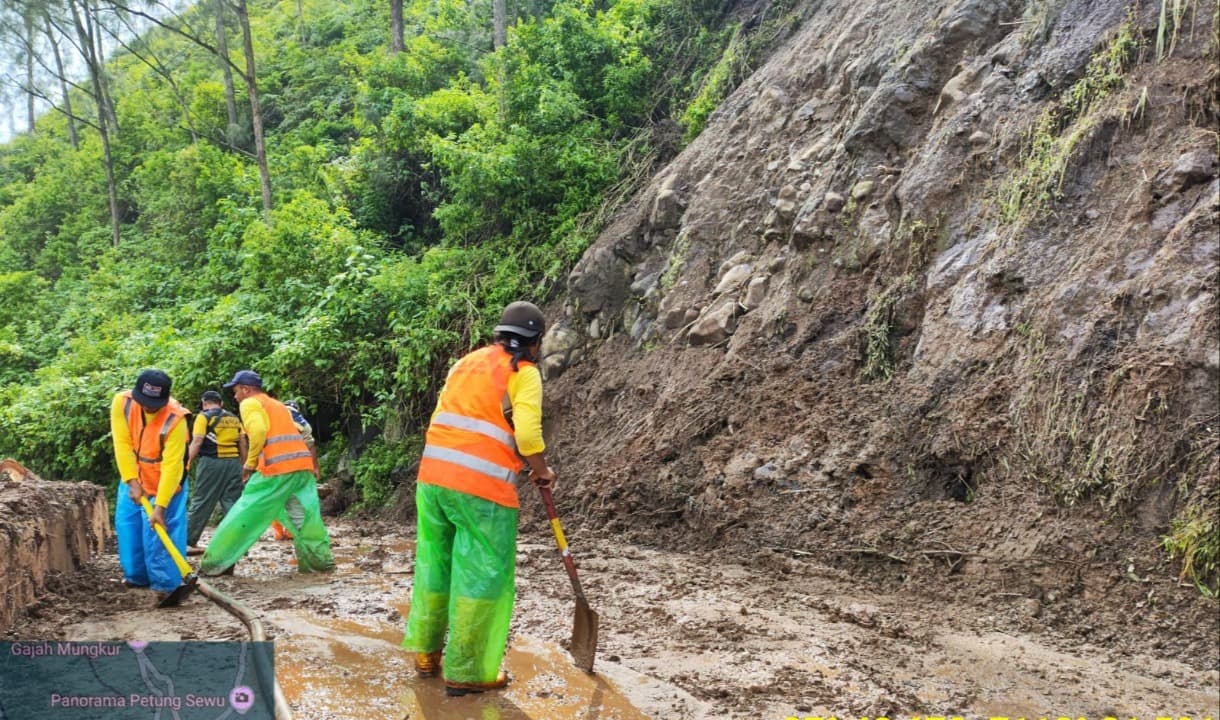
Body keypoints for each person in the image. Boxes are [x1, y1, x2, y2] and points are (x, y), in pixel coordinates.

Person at [401, 301, 556, 697]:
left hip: (432, 479)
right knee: (483, 575)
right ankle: (469, 672)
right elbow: (527, 436)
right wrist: (541, 471)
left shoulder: (466, 363)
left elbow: (440, 415)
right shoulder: (523, 372)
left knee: (434, 564)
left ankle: (426, 654)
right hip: (481, 489)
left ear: (499, 334)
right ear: (535, 342)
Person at [199, 370, 335, 576]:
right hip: (300, 468)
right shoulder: (277, 405)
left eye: (236, 391)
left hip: (275, 470)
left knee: (244, 513)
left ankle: (215, 564)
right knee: (303, 519)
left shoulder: (250, 403)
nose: (235, 397)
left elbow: (259, 431)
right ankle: (319, 565)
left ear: (245, 389)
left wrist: (249, 463)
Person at [110, 369, 192, 606]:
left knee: (159, 532)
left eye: (154, 404)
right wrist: (132, 482)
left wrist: (161, 505)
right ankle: (137, 578)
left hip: (166, 482)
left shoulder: (176, 419)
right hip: (133, 476)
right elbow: (122, 443)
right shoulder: (122, 403)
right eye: (144, 402)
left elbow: (172, 465)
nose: (147, 408)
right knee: (128, 526)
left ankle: (166, 586)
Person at [186, 390, 248, 549]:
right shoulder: (234, 418)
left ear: (204, 403)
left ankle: (188, 540)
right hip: (234, 463)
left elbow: (197, 441)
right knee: (232, 502)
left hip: (212, 463)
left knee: (202, 500)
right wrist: (245, 465)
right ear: (221, 403)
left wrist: (186, 462)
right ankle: (237, 543)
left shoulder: (204, 417)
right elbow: (242, 443)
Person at [269, 400, 316, 542]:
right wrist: (313, 468)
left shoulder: (274, 418)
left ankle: (278, 533)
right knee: (294, 499)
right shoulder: (303, 422)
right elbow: (310, 446)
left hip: (275, 466)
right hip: (297, 467)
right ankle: (291, 532)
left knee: (276, 500)